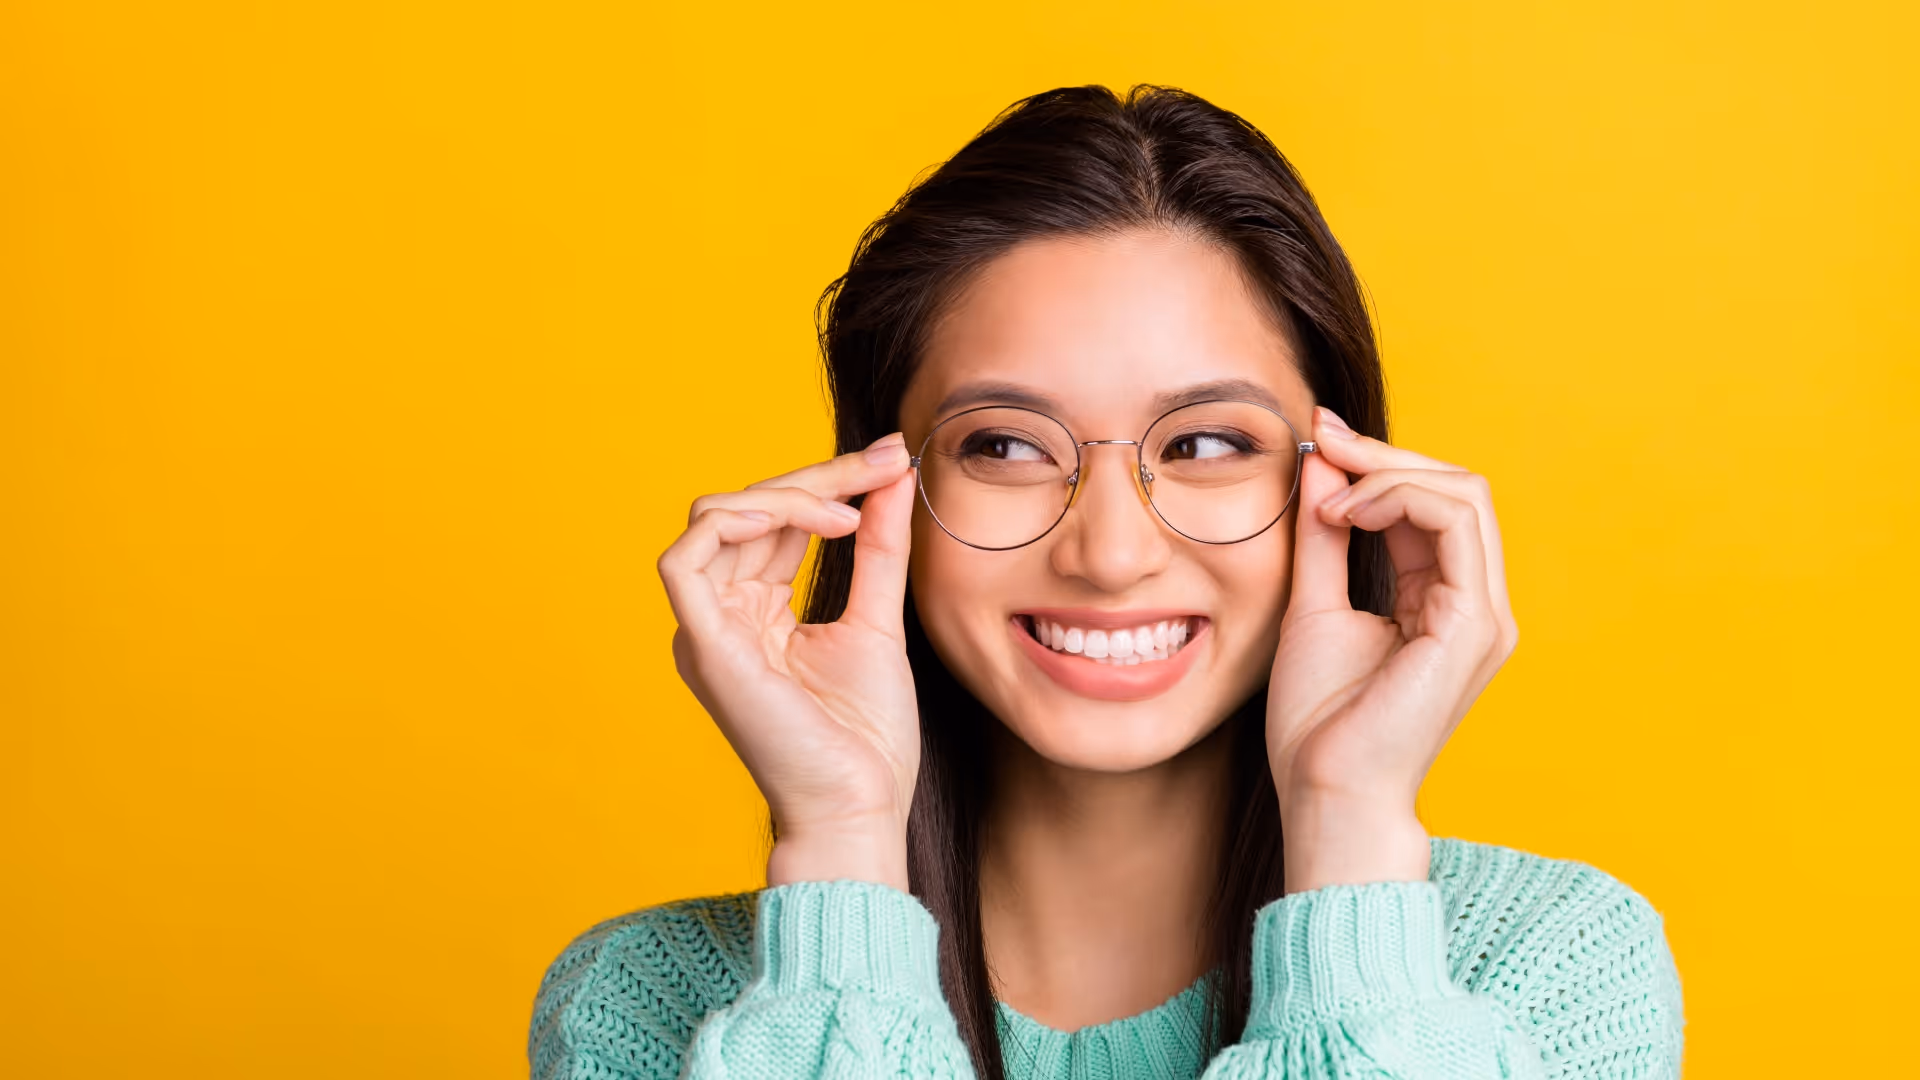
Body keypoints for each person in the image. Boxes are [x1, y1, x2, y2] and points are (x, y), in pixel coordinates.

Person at [528, 84, 1685, 1080]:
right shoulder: (650, 1003)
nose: (1111, 552)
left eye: (1209, 444)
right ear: (879, 493)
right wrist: (836, 842)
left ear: (1344, 480)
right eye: (1006, 446)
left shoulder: (1546, 968)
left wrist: (1347, 828)